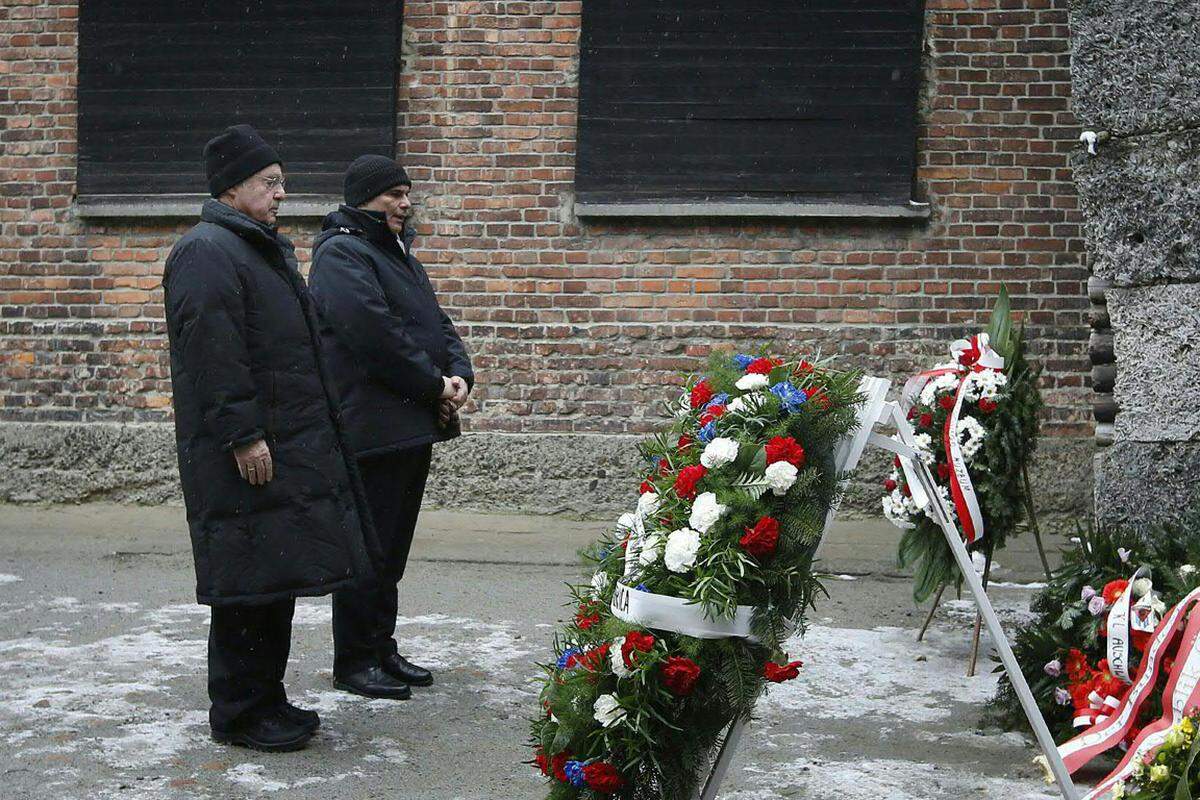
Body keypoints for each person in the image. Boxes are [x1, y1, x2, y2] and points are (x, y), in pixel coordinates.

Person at [162, 125, 379, 751]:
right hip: (243, 453)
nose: (283, 193)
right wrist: (244, 435)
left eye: (281, 181)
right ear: (232, 188)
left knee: (272, 576)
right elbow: (212, 356)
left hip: (282, 445)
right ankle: (238, 712)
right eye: (270, 182)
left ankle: (266, 697)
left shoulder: (254, 247)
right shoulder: (207, 251)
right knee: (247, 582)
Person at [308, 154, 473, 700]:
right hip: (371, 428)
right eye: (394, 195)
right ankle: (354, 660)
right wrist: (433, 386)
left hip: (407, 423)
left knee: (391, 547)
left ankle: (380, 646)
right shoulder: (341, 255)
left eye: (407, 194)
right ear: (364, 198)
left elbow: (435, 321)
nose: (405, 204)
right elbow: (374, 337)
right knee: (369, 548)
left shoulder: (397, 253)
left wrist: (458, 374)